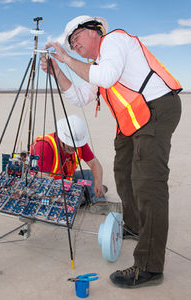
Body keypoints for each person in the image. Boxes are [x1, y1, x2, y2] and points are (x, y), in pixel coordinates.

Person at [40, 16, 182, 288]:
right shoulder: (97, 66)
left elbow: (104, 77)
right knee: (123, 171)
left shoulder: (115, 41)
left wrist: (66, 60)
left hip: (155, 111)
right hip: (133, 122)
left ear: (95, 31)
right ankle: (135, 225)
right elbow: (81, 97)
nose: (73, 44)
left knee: (148, 184)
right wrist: (57, 71)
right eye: (70, 43)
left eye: (76, 37)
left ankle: (150, 267)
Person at [31, 114, 121, 214]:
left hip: (66, 181)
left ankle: (100, 202)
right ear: (62, 137)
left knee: (90, 175)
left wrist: (98, 182)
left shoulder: (79, 143)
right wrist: (69, 191)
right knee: (70, 200)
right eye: (71, 144)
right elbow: (43, 181)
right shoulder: (45, 146)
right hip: (48, 186)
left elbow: (95, 164)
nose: (74, 148)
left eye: (77, 145)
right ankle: (84, 196)